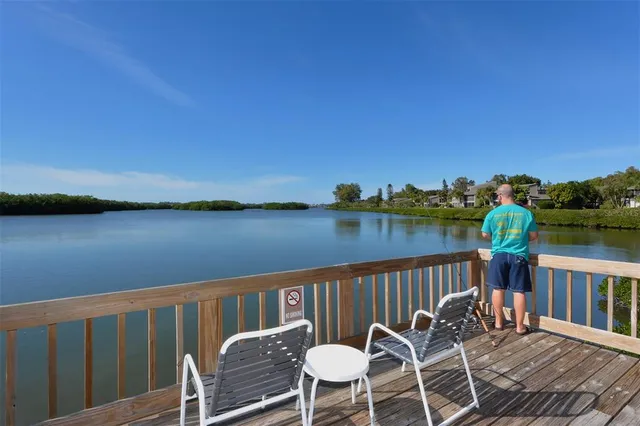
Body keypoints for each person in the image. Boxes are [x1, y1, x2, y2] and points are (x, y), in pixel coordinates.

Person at [481, 184, 538, 335]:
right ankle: (520, 327)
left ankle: (499, 323)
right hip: (519, 256)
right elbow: (533, 236)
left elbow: (485, 234)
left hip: (499, 255)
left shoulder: (493, 214)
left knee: (498, 289)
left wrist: (497, 237)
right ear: (512, 195)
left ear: (500, 196)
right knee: (519, 291)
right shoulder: (526, 213)